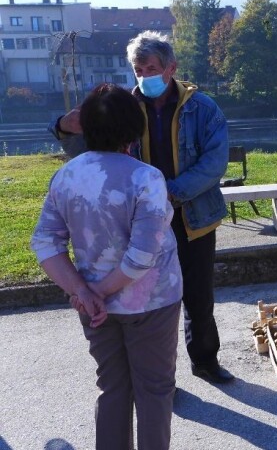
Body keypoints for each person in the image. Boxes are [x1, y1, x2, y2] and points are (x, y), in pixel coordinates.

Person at [49, 30, 234, 384]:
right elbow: (90, 151)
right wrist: (62, 128)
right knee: (151, 301)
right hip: (138, 222)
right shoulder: (122, 107)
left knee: (198, 296)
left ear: (171, 68)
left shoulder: (202, 108)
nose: (144, 76)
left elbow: (214, 163)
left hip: (191, 217)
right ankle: (161, 377)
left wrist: (171, 193)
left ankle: (206, 361)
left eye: (151, 67)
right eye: (138, 69)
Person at [32, 84, 183, 450]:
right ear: (134, 129)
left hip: (94, 308)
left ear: (85, 127)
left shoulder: (66, 176)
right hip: (151, 302)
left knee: (112, 387)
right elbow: (142, 256)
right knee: (154, 391)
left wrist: (83, 291)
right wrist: (98, 292)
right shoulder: (145, 177)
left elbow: (45, 242)